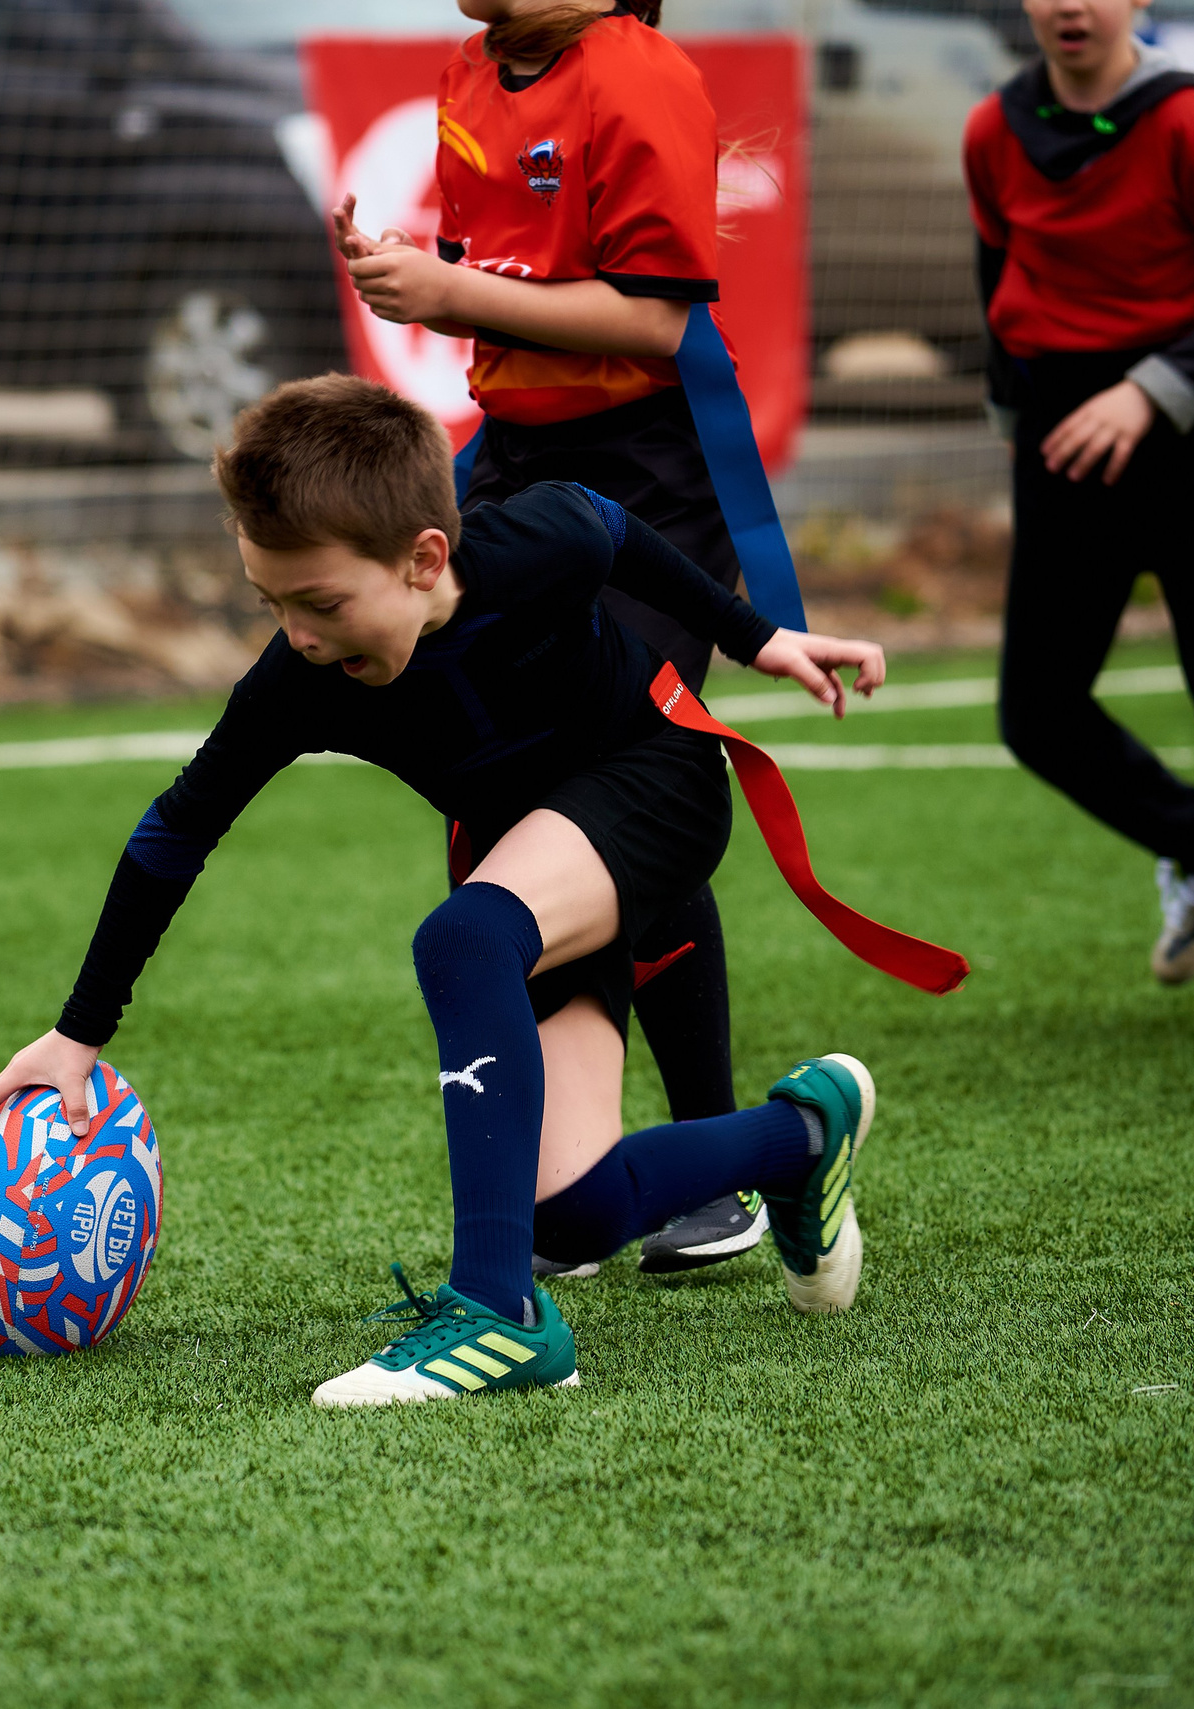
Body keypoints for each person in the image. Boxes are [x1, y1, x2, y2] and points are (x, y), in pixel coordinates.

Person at [0, 375, 909, 1407]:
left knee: (463, 938)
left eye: (320, 601)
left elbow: (615, 529)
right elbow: (174, 830)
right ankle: (803, 1135)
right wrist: (77, 1030)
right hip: (534, 852)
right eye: (270, 602)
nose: (302, 634)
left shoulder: (533, 541)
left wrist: (756, 637)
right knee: (577, 1210)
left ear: (425, 559)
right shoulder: (299, 678)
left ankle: (495, 1314)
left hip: (657, 783)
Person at [331, 0, 771, 1276]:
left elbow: (654, 322)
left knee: (626, 761)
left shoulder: (639, 78)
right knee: (523, 763)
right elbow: (515, 288)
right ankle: (570, 1170)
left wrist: (450, 290)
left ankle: (719, 1162)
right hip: (516, 454)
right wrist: (432, 272)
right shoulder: (473, 66)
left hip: (646, 467)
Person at [964, 0, 1194, 1041]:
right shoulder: (992, 129)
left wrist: (1152, 390)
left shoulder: (1184, 123)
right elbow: (999, 274)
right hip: (1061, 439)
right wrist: (1010, 415)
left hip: (1188, 440)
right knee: (1035, 713)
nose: (1069, 5)